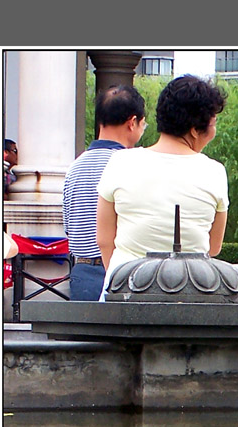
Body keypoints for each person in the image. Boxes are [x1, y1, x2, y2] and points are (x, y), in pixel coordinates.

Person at [96, 75, 228, 301]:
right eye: (213, 123)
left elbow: (105, 239)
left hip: (124, 289)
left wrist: (120, 274)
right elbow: (213, 246)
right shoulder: (214, 171)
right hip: (191, 292)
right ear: (196, 130)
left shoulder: (120, 162)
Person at [63, 85, 146, 301]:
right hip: (123, 271)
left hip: (82, 273)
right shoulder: (132, 164)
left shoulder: (75, 166)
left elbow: (69, 227)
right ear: (132, 122)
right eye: (143, 124)